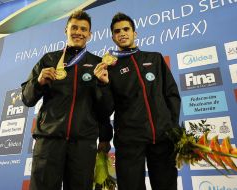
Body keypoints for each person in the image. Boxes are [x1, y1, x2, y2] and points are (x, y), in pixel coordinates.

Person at [21, 10, 112, 190]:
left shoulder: (98, 63)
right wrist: (38, 83)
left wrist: (105, 137)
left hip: (83, 145)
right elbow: (27, 98)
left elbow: (105, 110)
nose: (78, 32)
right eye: (74, 27)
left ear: (89, 34)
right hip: (49, 142)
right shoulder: (49, 59)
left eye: (83, 29)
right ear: (66, 30)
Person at [94, 13, 181, 190]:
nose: (122, 33)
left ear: (135, 33)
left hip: (162, 139)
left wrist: (171, 127)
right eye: (117, 31)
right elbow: (106, 108)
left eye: (126, 29)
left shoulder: (155, 58)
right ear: (113, 37)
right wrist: (103, 84)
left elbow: (171, 94)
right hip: (129, 142)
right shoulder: (110, 68)